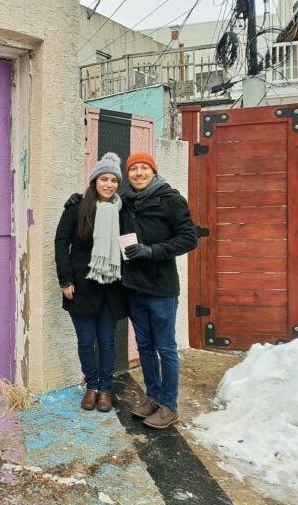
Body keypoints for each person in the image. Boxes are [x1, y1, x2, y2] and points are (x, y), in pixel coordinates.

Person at [120, 151, 197, 429]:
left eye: (143, 168)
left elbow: (189, 238)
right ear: (127, 174)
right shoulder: (125, 201)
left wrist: (151, 251)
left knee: (165, 348)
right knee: (145, 347)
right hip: (134, 287)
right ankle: (152, 397)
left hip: (161, 289)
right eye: (133, 169)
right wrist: (77, 204)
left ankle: (169, 405)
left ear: (153, 171)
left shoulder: (171, 199)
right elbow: (99, 203)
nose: (138, 173)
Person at [54, 152, 129, 413]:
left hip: (111, 287)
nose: (109, 184)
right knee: (86, 341)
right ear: (94, 181)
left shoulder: (123, 210)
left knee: (107, 341)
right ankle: (92, 386)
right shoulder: (76, 207)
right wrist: (65, 280)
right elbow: (62, 242)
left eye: (114, 180)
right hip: (82, 286)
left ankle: (106, 388)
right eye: (104, 179)